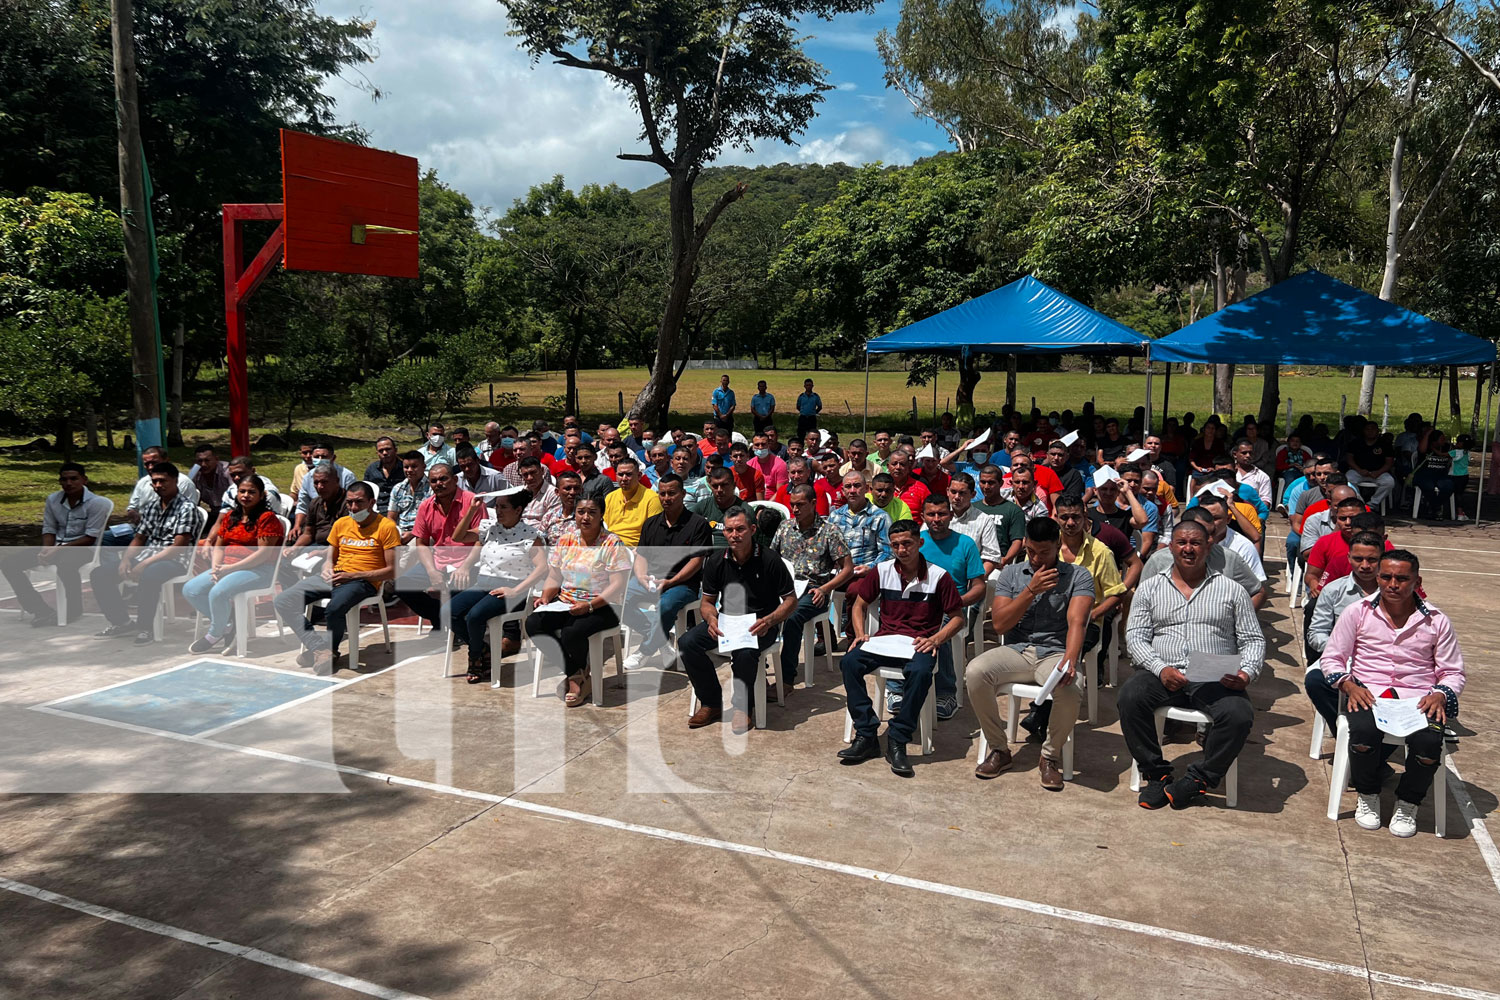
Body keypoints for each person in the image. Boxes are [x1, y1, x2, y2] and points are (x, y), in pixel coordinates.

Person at [1121, 518, 1264, 809]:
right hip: (1162, 669)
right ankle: (1156, 774)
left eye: (1195, 542)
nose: (1188, 549)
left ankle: (1198, 779)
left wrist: (1246, 673)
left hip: (1214, 674)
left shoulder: (1231, 590)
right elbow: (1134, 637)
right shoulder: (1150, 589)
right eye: (1182, 542)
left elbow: (1254, 640)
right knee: (1130, 697)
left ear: (1208, 545)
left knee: (1238, 714)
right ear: (1171, 546)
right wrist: (1160, 668)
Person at [1322, 550, 1464, 837]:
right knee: (1362, 733)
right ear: (1378, 578)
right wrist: (1349, 685)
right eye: (1386, 577)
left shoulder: (1436, 621)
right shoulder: (1358, 612)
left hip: (1418, 698)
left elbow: (1453, 671)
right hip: (1368, 693)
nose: (1393, 584)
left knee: (1428, 743)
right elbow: (1332, 659)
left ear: (1416, 580)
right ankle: (1368, 793)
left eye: (1402, 578)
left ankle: (1409, 801)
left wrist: (1440, 694)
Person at [965, 516, 1093, 789]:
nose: (1036, 558)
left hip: (1054, 652)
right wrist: (1030, 591)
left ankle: (1050, 756)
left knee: (1071, 687)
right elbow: (1000, 623)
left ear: (1058, 546)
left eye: (1043, 552)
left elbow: (1077, 622)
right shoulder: (1012, 574)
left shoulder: (1078, 576)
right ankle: (1000, 749)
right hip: (1017, 650)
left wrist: (1070, 660)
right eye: (1030, 551)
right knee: (975, 672)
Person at [839, 519, 966, 777]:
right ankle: (866, 734)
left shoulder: (939, 576)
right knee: (849, 662)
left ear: (920, 543)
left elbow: (957, 617)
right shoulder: (882, 570)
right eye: (895, 544)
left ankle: (898, 737)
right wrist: (861, 634)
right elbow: (859, 604)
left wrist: (936, 639)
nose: (901, 549)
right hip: (885, 640)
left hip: (920, 642)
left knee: (920, 674)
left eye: (907, 543)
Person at [677, 506, 799, 734]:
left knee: (745, 652)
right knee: (687, 643)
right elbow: (707, 602)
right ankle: (711, 702)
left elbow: (791, 601)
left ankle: (744, 707)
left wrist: (771, 620)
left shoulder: (770, 559)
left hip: (761, 624)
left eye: (741, 529)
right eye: (730, 530)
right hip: (726, 622)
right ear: (724, 533)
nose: (735, 535)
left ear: (752, 529)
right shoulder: (716, 561)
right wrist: (711, 618)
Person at [273, 482, 399, 673]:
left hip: (362, 581)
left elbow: (391, 571)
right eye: (350, 503)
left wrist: (353, 575)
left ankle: (329, 649)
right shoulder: (341, 524)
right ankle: (319, 648)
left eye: (359, 502)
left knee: (334, 608)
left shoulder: (386, 526)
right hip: (334, 576)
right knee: (283, 600)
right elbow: (330, 558)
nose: (354, 508)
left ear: (372, 502)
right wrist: (326, 568)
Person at [526, 497, 631, 707]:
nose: (586, 517)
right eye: (581, 512)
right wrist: (546, 597)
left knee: (571, 632)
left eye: (592, 512)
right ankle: (576, 674)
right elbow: (554, 577)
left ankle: (577, 679)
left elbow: (617, 585)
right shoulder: (566, 540)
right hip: (567, 602)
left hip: (604, 605)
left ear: (601, 515)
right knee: (533, 623)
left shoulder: (611, 542)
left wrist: (590, 606)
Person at [91, 463, 200, 645]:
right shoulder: (151, 507)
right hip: (148, 557)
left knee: (149, 576)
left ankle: (145, 628)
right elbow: (139, 538)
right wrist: (126, 559)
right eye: (154, 481)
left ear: (175, 481)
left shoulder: (186, 509)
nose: (158, 485)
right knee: (99, 574)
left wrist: (144, 564)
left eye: (163, 481)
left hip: (175, 560)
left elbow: (177, 548)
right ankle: (122, 622)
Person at [446, 486, 545, 683]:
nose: (498, 511)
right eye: (497, 506)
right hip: (484, 583)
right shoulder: (490, 528)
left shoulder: (530, 534)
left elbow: (542, 568)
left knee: (475, 616)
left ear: (518, 510)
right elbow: (457, 537)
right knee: (448, 611)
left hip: (512, 588)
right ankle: (484, 650)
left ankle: (475, 659)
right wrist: (472, 510)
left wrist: (516, 590)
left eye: (504, 507)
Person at [620, 475, 714, 671]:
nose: (666, 498)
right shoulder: (651, 524)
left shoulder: (698, 524)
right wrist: (641, 576)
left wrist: (671, 582)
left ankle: (645, 650)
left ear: (683, 494)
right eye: (662, 494)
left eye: (672, 493)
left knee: (667, 605)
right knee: (618, 601)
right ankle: (660, 639)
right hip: (651, 579)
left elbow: (696, 561)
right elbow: (642, 556)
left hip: (683, 584)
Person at [183, 474, 286, 652]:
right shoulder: (231, 517)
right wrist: (216, 567)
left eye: (251, 492)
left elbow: (263, 554)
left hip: (259, 570)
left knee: (218, 591)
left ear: (262, 495)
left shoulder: (267, 519)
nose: (246, 495)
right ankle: (229, 624)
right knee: (191, 590)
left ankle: (214, 634)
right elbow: (219, 546)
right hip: (227, 568)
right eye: (242, 491)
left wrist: (229, 569)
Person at [2, 462, 111, 627]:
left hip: (83, 548)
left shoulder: (98, 503)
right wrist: (47, 549)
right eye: (64, 479)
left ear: (84, 480)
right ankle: (39, 609)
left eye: (74, 479)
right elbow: (49, 528)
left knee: (66, 564)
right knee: (9, 563)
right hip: (56, 546)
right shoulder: (53, 499)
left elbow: (90, 537)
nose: (68, 483)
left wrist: (57, 550)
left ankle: (73, 609)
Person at [771, 484, 854, 690]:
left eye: (800, 505)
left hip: (814, 589)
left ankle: (785, 680)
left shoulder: (829, 531)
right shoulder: (785, 527)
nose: (795, 509)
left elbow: (847, 569)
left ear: (814, 503)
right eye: (792, 505)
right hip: (785, 586)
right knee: (756, 609)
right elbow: (771, 559)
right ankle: (754, 667)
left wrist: (825, 589)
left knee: (791, 617)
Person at [1302, 530, 1384, 729]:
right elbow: (1316, 633)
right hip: (1342, 659)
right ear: (1348, 558)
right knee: (1315, 681)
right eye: (1358, 559)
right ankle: (1344, 734)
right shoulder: (1333, 590)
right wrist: (1341, 648)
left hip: (1383, 661)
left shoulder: (1394, 592)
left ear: (1382, 559)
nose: (1365, 565)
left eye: (1372, 559)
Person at [917, 495, 987, 720]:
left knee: (941, 630)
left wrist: (957, 602)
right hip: (917, 604)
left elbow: (979, 587)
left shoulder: (965, 543)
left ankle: (946, 692)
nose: (936, 519)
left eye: (942, 514)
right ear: (923, 516)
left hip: (952, 608)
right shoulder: (916, 541)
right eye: (931, 514)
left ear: (951, 515)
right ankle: (898, 688)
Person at [393, 464, 479, 634]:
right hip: (439, 560)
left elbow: (481, 540)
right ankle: (438, 615)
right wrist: (431, 571)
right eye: (433, 481)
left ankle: (457, 625)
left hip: (469, 562)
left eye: (443, 479)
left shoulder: (472, 501)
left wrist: (465, 567)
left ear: (455, 480)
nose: (438, 483)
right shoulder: (426, 506)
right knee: (402, 585)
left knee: (457, 594)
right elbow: (421, 543)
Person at [111, 447, 197, 546]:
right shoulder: (143, 482)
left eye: (154, 463)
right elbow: (132, 507)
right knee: (105, 539)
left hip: (165, 534)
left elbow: (187, 518)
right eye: (147, 464)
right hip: (141, 527)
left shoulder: (183, 483)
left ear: (166, 461)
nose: (150, 467)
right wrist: (135, 515)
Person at [828, 472, 893, 585]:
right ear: (843, 491)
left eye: (857, 485)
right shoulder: (835, 516)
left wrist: (870, 568)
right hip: (836, 573)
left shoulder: (880, 517)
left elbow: (888, 552)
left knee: (854, 591)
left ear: (866, 488)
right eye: (848, 487)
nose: (852, 491)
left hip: (864, 575)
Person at [947, 475, 1003, 575]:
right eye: (953, 492)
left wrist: (976, 581)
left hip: (970, 575)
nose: (957, 497)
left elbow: (991, 557)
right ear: (947, 491)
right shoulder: (937, 516)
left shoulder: (984, 520)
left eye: (962, 493)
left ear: (973, 494)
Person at [291, 443, 356, 529]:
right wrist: (297, 526)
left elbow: (352, 503)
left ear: (333, 458)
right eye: (317, 457)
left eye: (324, 457)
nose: (320, 460)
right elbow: (303, 505)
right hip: (315, 519)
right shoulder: (308, 477)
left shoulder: (346, 476)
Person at [601, 456, 663, 547]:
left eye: (629, 474)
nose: (624, 479)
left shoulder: (652, 499)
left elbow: (654, 534)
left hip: (635, 550)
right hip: (610, 546)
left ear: (639, 476)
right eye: (620, 475)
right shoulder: (610, 497)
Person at [1345, 419, 1396, 508]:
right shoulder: (1356, 443)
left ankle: (1372, 504)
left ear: (1378, 431)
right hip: (1358, 471)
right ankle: (1359, 502)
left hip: (1379, 473)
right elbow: (1349, 459)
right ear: (1363, 431)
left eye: (1373, 429)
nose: (1370, 431)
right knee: (1348, 479)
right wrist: (1359, 470)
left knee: (1389, 482)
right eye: (1367, 429)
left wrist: (1378, 472)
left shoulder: (1385, 444)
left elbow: (1389, 462)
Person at [690, 466, 742, 548]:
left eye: (724, 485)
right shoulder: (703, 506)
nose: (719, 490)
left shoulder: (744, 511)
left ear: (734, 485)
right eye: (715, 486)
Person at [386, 451, 431, 544]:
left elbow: (431, 520)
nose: (409, 470)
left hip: (422, 533)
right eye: (406, 467)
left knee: (410, 550)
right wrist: (396, 533)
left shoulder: (431, 488)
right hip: (400, 532)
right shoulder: (398, 489)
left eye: (414, 467)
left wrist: (412, 533)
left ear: (424, 467)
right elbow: (391, 517)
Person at [885, 451, 930, 526]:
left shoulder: (921, 488)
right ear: (888, 466)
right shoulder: (880, 488)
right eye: (894, 464)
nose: (898, 467)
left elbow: (930, 514)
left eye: (902, 464)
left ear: (909, 468)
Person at [189, 444, 233, 514]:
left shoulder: (228, 472)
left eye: (207, 460)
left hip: (232, 512)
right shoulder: (194, 473)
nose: (203, 464)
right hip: (214, 513)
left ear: (216, 459)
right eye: (200, 461)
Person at [1232, 439, 1272, 509]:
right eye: (1244, 453)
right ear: (1235, 454)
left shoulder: (1262, 476)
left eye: (1250, 453)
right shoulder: (1228, 472)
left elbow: (1266, 501)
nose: (1248, 455)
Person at [287, 441, 316, 506]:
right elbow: (294, 493)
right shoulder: (299, 469)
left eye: (311, 452)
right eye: (305, 453)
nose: (308, 456)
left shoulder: (325, 471)